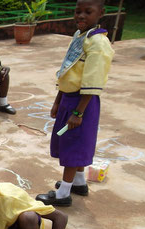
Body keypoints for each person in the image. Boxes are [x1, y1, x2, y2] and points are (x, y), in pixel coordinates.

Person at [36, 0, 114, 206]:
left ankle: (63, 194)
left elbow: (92, 80)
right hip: (69, 99)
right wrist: (58, 101)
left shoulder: (98, 43)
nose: (81, 16)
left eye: (88, 12)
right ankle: (78, 183)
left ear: (100, 13)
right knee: (72, 144)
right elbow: (68, 71)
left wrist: (78, 113)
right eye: (78, 11)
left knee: (72, 146)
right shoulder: (80, 36)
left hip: (82, 103)